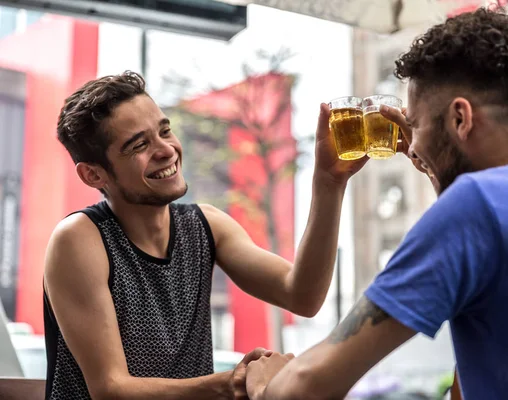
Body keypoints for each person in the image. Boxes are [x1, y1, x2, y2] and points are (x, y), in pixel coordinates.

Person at [244, 7, 508, 400]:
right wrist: (439, 172)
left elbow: (306, 387)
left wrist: (264, 384)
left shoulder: (478, 206)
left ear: (460, 119)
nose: (411, 145)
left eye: (416, 124)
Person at [43, 71, 367, 399]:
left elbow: (303, 296)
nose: (166, 150)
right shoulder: (79, 239)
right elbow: (110, 389)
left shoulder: (205, 225)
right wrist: (233, 382)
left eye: (164, 131)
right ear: (93, 174)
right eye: (139, 144)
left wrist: (329, 182)